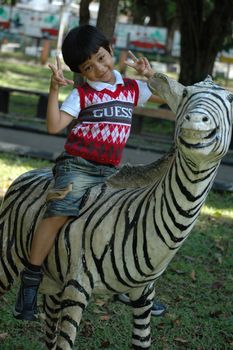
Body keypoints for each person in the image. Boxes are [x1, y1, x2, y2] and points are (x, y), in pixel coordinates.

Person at [13, 24, 166, 321]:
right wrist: (55, 87)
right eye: (88, 66)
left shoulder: (131, 89)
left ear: (110, 50)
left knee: (135, 215)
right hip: (78, 166)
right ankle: (30, 282)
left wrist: (150, 75)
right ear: (81, 72)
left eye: (100, 57)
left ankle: (133, 286)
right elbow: (54, 126)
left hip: (112, 172)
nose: (99, 68)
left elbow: (166, 96)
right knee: (58, 211)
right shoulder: (83, 95)